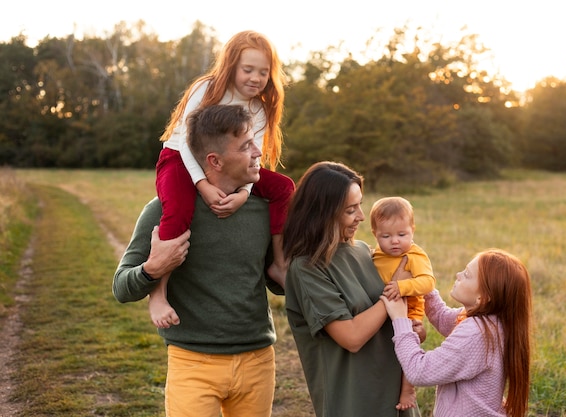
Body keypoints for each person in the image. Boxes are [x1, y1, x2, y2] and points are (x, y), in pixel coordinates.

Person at [113, 104, 283, 417]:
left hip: (258, 360)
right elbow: (122, 288)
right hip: (192, 362)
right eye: (246, 146)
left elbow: (277, 281)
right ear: (214, 161)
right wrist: (153, 270)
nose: (258, 151)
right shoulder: (163, 211)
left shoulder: (264, 209)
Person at [151, 30, 295, 328]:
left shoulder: (259, 108)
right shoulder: (207, 89)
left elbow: (251, 158)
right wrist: (202, 185)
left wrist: (244, 192)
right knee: (178, 211)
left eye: (263, 72)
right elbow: (187, 144)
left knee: (284, 188)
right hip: (181, 158)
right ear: (231, 66)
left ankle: (279, 264)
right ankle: (158, 291)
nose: (256, 78)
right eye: (248, 70)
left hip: (232, 166)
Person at [283, 161, 418, 417]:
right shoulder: (307, 268)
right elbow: (352, 338)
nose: (361, 216)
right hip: (354, 401)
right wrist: (391, 295)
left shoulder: (366, 252)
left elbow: (396, 318)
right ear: (323, 213)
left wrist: (411, 328)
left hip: (395, 394)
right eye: (350, 210)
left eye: (360, 205)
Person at [380, 248, 532, 417]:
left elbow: (420, 371)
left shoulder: (477, 333)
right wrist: (421, 283)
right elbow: (442, 317)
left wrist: (400, 319)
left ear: (483, 297)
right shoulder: (492, 321)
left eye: (467, 275)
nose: (458, 275)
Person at [370, 196, 436, 411]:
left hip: (409, 311)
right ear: (375, 235)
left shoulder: (414, 254)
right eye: (386, 236)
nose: (395, 241)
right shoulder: (375, 254)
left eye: (402, 234)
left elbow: (428, 282)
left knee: (409, 346)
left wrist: (402, 286)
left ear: (412, 230)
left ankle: (407, 388)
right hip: (381, 313)